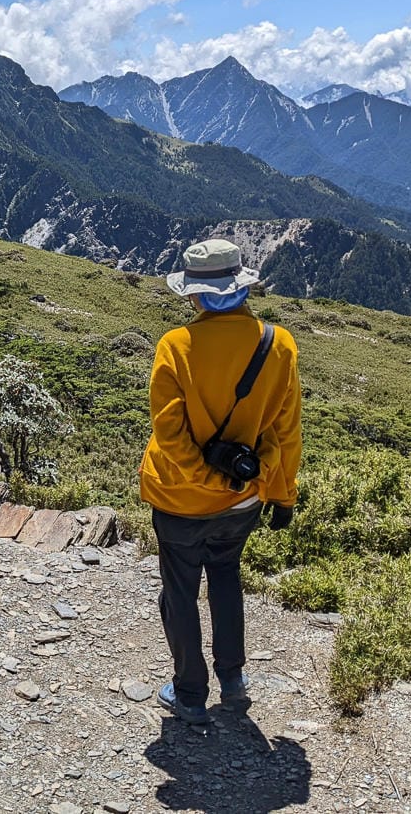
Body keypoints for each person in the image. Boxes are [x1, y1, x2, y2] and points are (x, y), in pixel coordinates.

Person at [139, 238, 301, 725]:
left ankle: (189, 692)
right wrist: (282, 492)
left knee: (180, 591)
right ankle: (233, 679)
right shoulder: (280, 343)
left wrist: (205, 477)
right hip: (245, 496)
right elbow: (286, 430)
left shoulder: (176, 346)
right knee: (226, 578)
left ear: (193, 294)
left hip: (179, 501)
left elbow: (169, 434)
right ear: (242, 286)